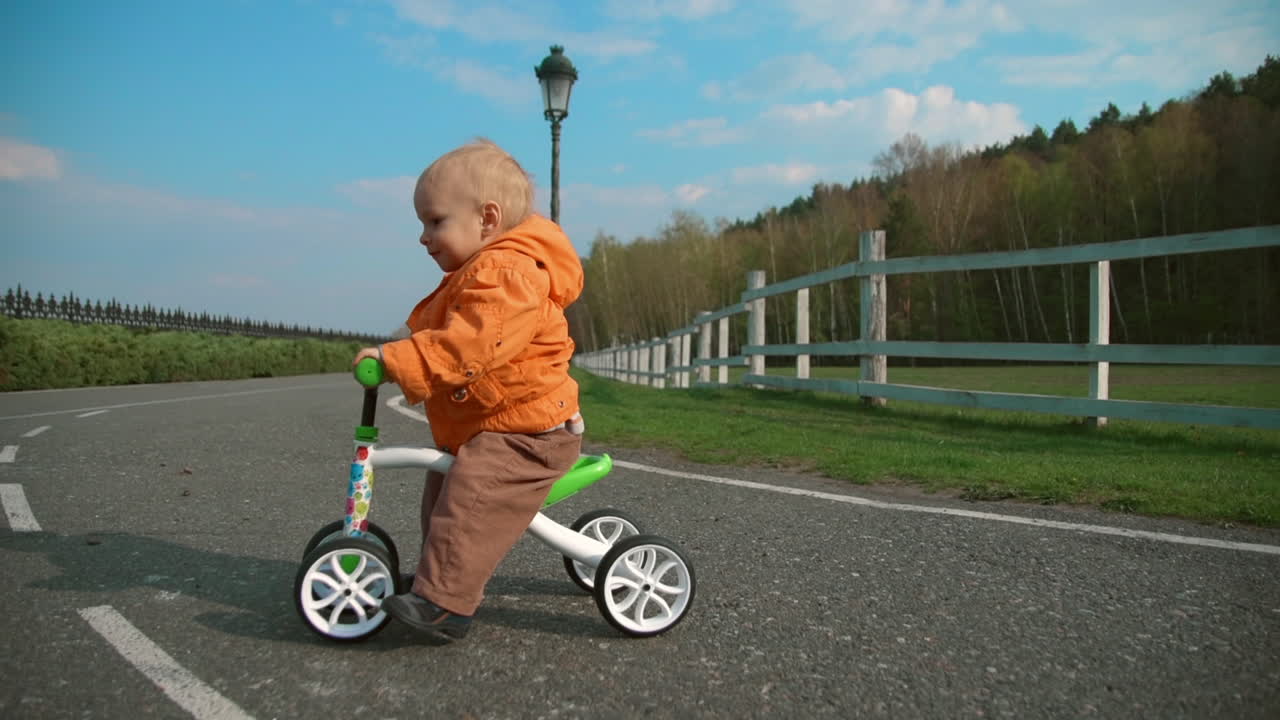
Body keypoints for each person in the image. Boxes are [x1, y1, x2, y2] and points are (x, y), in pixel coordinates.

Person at [352, 138, 584, 641]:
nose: (424, 237)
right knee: (443, 493)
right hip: (496, 423)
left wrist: (397, 360)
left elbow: (469, 345)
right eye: (422, 224)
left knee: (469, 501)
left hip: (527, 434)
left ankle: (445, 603)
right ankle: (436, 580)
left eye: (435, 221)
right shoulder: (481, 270)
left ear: (487, 218)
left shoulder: (506, 274)